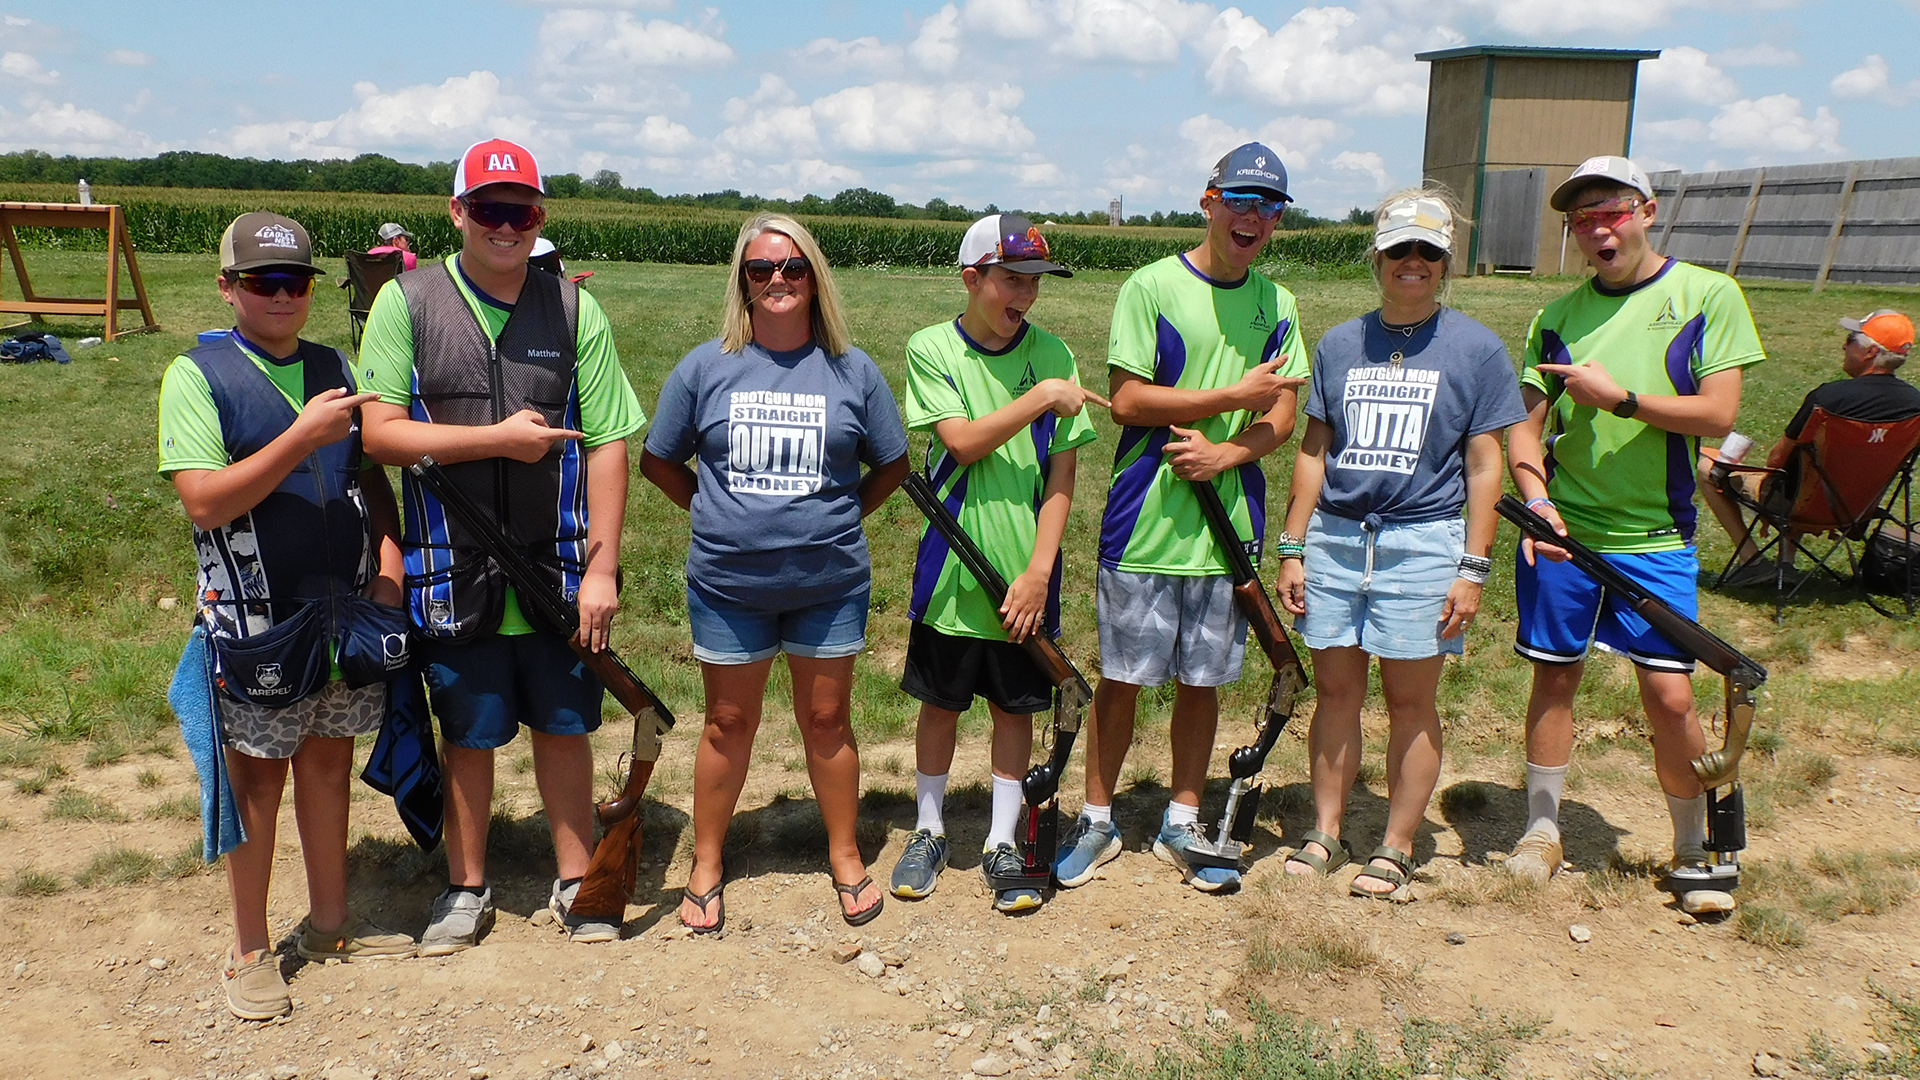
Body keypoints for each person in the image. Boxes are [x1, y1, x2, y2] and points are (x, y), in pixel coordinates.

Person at [357, 139, 645, 950]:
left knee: (564, 724)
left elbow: (614, 439)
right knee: (468, 732)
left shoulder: (576, 308)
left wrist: (603, 568)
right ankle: (466, 886)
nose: (505, 226)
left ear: (539, 218)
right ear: (458, 214)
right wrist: (495, 442)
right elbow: (378, 435)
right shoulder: (404, 302)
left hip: (558, 565)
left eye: (520, 211)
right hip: (450, 565)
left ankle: (574, 876)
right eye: (488, 209)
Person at [158, 212, 415, 1020]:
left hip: (340, 613)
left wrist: (388, 563)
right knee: (257, 782)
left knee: (330, 763)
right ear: (228, 287)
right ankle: (248, 952)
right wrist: (302, 436)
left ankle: (331, 925)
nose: (281, 296)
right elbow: (203, 501)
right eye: (263, 282)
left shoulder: (332, 364)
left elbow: (367, 475)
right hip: (255, 617)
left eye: (296, 281)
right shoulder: (196, 375)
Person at [1505, 156, 1765, 915]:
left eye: (1611, 212)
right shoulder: (1555, 315)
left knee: (1669, 693)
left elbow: (1719, 415)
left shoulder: (1707, 296)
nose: (1597, 230)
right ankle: (1541, 834)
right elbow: (1524, 428)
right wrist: (1536, 499)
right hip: (1566, 535)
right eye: (1582, 220)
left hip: (1656, 536)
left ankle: (1694, 844)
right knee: (1554, 677)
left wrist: (1619, 400)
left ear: (1647, 211)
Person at [640, 214, 909, 933]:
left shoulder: (853, 369)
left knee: (828, 719)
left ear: (814, 276)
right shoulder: (706, 366)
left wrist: (843, 513)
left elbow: (894, 463)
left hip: (830, 582)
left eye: (793, 267)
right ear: (743, 281)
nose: (779, 280)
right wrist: (711, 507)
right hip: (730, 585)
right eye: (762, 269)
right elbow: (657, 459)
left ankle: (846, 856)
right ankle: (706, 862)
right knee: (727, 722)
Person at [1054, 142, 1309, 894]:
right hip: (1145, 522)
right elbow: (1129, 400)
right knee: (1122, 679)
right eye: (1240, 201)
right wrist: (1232, 397)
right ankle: (1097, 820)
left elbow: (1285, 411)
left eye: (1268, 207)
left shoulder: (1279, 304)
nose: (1252, 218)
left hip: (1227, 528)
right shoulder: (1152, 286)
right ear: (1209, 201)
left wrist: (1229, 456)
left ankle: (1182, 818)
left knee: (1204, 682)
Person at [1273, 188, 1525, 900]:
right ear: (1377, 257)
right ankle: (1327, 828)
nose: (1412, 264)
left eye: (1428, 252)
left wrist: (1472, 567)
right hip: (1338, 540)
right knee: (1335, 691)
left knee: (1411, 700)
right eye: (1398, 251)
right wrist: (1292, 546)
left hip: (1423, 544)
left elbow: (1484, 464)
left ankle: (1397, 842)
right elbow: (1314, 451)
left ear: (1446, 262)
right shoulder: (1339, 344)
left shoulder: (1476, 349)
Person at [890, 214, 1106, 913]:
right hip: (953, 569)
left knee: (1017, 708)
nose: (1025, 295)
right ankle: (928, 829)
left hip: (1025, 576)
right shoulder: (933, 348)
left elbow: (1061, 478)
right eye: (1011, 279)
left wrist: (1040, 571)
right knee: (941, 703)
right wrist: (1040, 395)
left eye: (1035, 282)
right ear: (971, 278)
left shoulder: (1056, 352)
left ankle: (1002, 836)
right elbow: (961, 443)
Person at [1701, 309, 1919, 583]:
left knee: (1706, 464)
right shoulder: (1915, 405)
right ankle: (1786, 562)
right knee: (1811, 468)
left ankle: (1753, 561)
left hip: (1801, 504)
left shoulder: (1828, 399)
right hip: (1857, 510)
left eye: (1851, 339)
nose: (1844, 345)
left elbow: (1777, 461)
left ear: (1870, 352)